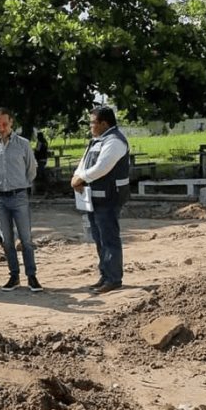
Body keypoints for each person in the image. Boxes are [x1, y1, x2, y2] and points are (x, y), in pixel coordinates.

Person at [0, 107, 42, 292]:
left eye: (4, 124)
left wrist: (22, 184)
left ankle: (32, 276)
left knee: (26, 239)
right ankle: (14, 276)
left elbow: (31, 168)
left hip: (19, 196)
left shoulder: (23, 144)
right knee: (7, 240)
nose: (1, 128)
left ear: (11, 122)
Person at [71, 106, 130, 294]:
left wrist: (82, 178)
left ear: (104, 123)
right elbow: (85, 162)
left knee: (109, 238)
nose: (90, 126)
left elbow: (102, 167)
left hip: (109, 198)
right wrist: (76, 176)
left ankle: (114, 279)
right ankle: (105, 275)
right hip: (95, 198)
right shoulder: (98, 140)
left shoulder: (115, 141)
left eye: (93, 122)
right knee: (99, 238)